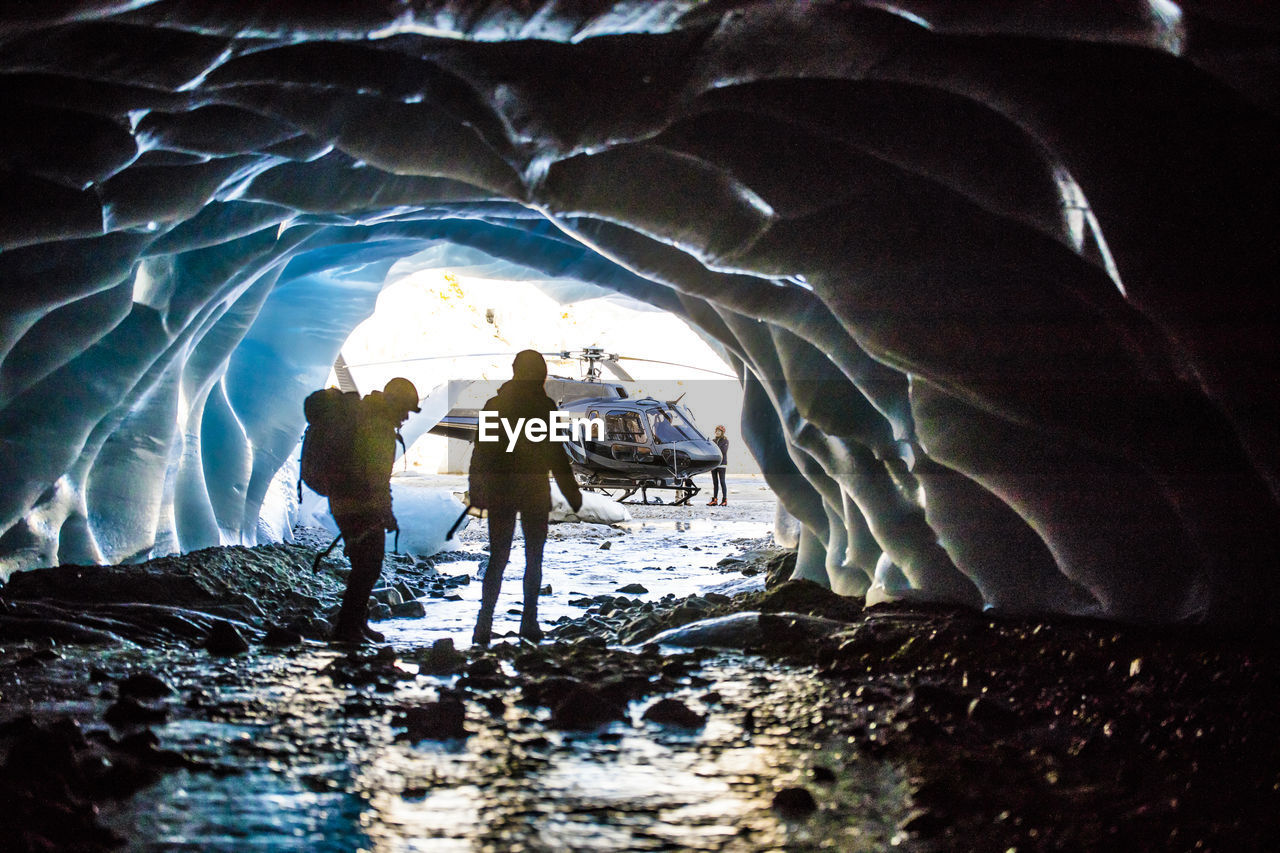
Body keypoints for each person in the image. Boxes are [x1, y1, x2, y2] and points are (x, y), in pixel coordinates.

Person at [469, 350, 583, 645]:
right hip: (533, 491)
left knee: (498, 557)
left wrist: (477, 489)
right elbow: (557, 455)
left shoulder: (495, 404)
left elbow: (480, 452)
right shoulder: (546, 408)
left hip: (500, 490)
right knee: (534, 557)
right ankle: (529, 622)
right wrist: (572, 493)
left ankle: (484, 623)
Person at [328, 377, 420, 643]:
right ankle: (347, 629)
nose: (405, 417)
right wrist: (385, 512)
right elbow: (376, 477)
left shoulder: (368, 418)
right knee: (367, 566)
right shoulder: (378, 427)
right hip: (359, 505)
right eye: (405, 410)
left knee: (364, 564)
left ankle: (356, 624)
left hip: (347, 501)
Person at [708, 424, 729, 506]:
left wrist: (715, 448)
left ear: (722, 432)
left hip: (722, 464)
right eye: (716, 431)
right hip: (714, 463)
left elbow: (723, 451)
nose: (717, 432)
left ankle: (724, 500)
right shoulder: (712, 441)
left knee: (722, 482)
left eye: (719, 431)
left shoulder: (725, 441)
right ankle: (715, 499)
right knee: (715, 483)